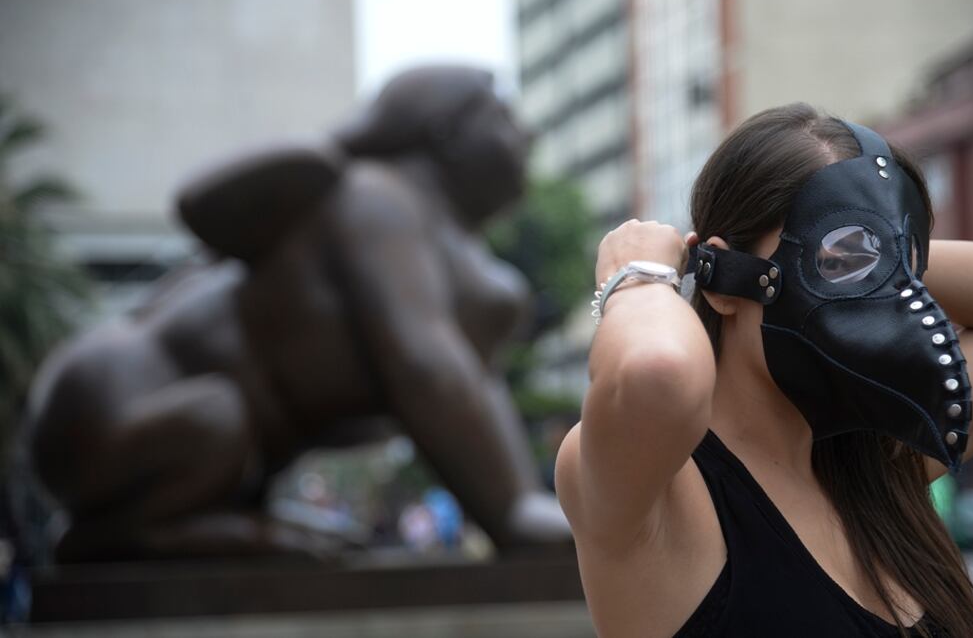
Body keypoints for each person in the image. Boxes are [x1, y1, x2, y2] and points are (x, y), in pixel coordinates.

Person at [555, 103, 973, 636]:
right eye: (836, 258)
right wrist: (641, 276)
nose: (879, 294)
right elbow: (658, 371)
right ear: (725, 285)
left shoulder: (880, 462)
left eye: (895, 266)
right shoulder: (659, 491)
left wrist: (879, 251)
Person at [26, 66, 569, 560]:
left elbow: (468, 379)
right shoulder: (378, 200)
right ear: (447, 135)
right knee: (218, 415)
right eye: (502, 117)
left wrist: (520, 501)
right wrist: (512, 513)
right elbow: (425, 364)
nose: (526, 137)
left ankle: (201, 519)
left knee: (225, 420)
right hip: (110, 404)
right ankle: (139, 531)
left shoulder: (433, 236)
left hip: (198, 439)